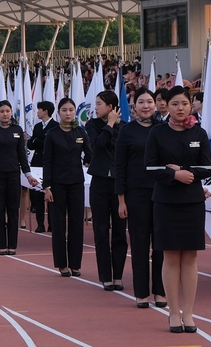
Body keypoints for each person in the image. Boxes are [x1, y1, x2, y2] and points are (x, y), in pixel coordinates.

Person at [144, 86, 211, 333]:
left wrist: (183, 171)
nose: (180, 108)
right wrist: (173, 175)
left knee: (190, 258)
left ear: (191, 105)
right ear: (166, 106)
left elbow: (207, 168)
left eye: (184, 103)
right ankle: (173, 313)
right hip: (166, 201)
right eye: (175, 104)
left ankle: (189, 313)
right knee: (171, 258)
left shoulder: (199, 133)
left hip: (192, 201)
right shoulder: (157, 133)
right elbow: (149, 168)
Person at [115, 87, 167, 308]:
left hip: (163, 193)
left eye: (150, 102)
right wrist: (121, 200)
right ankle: (141, 292)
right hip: (136, 194)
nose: (146, 106)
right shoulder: (126, 131)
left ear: (156, 105)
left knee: (161, 244)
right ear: (134, 106)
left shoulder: (164, 129)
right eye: (141, 102)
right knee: (139, 243)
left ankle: (160, 291)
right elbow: (120, 167)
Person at [43, 97, 92, 278]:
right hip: (57, 184)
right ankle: (62, 264)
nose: (68, 113)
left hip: (76, 183)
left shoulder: (81, 132)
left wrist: (90, 161)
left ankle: (75, 264)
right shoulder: (52, 134)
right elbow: (47, 162)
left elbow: (90, 155)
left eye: (71, 110)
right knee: (58, 223)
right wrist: (47, 186)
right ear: (58, 112)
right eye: (64, 110)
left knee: (76, 223)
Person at [0, 100, 39, 255]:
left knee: (13, 209)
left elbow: (22, 155)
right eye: (2, 111)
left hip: (14, 175)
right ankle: (2, 245)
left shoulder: (17, 130)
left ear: (11, 113)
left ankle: (12, 245)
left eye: (7, 111)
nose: (5, 114)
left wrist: (28, 175)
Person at [87, 89, 128, 291]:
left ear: (111, 107)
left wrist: (114, 126)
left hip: (119, 184)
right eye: (95, 104)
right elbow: (98, 145)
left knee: (120, 231)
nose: (96, 108)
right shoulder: (92, 125)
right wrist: (110, 124)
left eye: (99, 104)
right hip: (100, 182)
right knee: (101, 230)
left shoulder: (126, 128)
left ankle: (118, 274)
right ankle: (106, 276)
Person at [27, 101, 56, 233]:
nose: (37, 112)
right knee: (38, 195)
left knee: (51, 195)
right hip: (37, 162)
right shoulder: (38, 126)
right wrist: (36, 141)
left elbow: (48, 144)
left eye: (39, 110)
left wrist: (37, 141)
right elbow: (30, 144)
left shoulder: (55, 126)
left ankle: (52, 223)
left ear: (45, 111)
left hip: (51, 163)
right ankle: (40, 223)